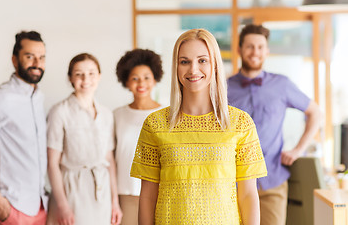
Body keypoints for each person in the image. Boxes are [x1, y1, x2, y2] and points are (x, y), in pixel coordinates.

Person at [130, 28, 267, 224]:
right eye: (184, 62)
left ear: (215, 66)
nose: (193, 70)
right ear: (176, 67)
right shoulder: (155, 124)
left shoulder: (240, 123)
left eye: (202, 60)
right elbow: (148, 196)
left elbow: (248, 195)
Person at [227, 24, 322, 225]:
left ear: (267, 51)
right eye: (250, 46)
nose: (255, 52)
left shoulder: (282, 85)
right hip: (232, 184)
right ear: (239, 49)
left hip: (273, 183)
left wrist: (298, 149)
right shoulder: (223, 88)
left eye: (260, 47)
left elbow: (316, 113)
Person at [46, 53, 122, 225]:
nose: (86, 79)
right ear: (70, 78)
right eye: (79, 74)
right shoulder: (59, 112)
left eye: (91, 73)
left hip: (102, 193)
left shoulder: (106, 114)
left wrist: (115, 202)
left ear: (99, 76)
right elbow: (52, 163)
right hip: (72, 190)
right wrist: (63, 206)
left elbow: (109, 160)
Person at [0, 31, 48, 224]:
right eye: (29, 56)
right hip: (11, 206)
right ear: (14, 59)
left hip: (39, 205)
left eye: (42, 57)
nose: (37, 63)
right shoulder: (1, 98)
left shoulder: (38, 97)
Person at [114, 48, 164, 225]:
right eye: (135, 78)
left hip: (160, 193)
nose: (141, 83)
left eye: (146, 77)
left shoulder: (167, 114)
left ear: (155, 79)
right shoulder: (117, 115)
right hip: (126, 194)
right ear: (126, 82)